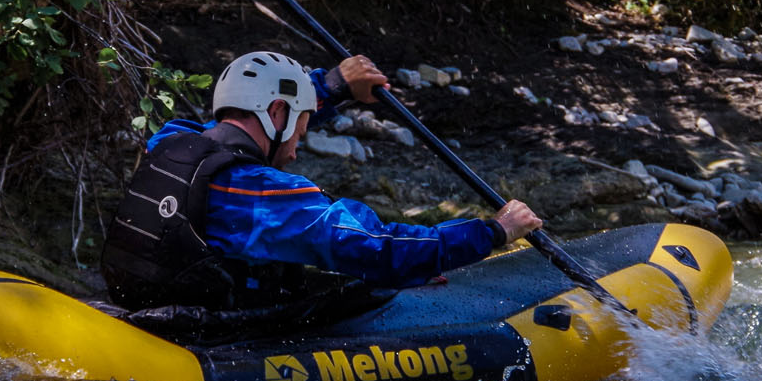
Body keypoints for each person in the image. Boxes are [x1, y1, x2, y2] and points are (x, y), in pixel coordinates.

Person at [101, 50, 543, 313]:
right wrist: (492, 232)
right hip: (211, 331)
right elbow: (378, 247)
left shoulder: (170, 142)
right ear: (276, 114)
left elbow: (238, 126)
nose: (301, 139)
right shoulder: (256, 195)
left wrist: (332, 86)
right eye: (303, 121)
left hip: (150, 307)